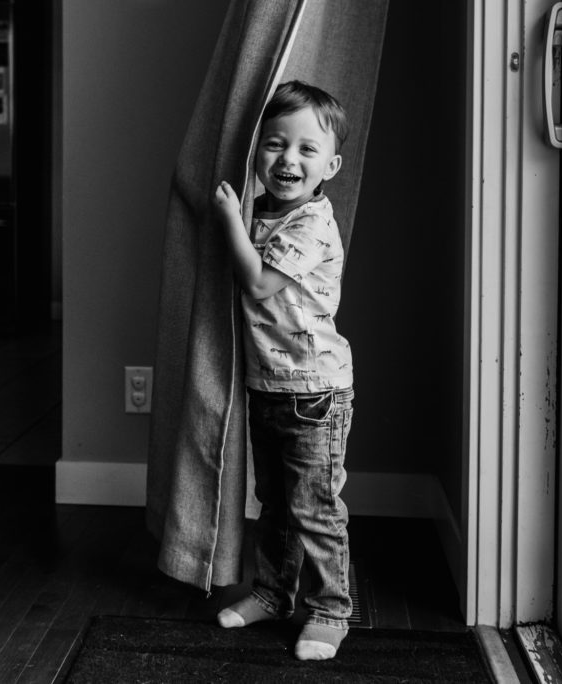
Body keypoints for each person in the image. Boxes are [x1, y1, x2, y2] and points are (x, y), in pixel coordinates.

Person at [211, 80, 355, 661]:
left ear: (331, 166)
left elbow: (259, 281)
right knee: (273, 504)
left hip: (315, 393)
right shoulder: (264, 212)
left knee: (314, 510)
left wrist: (227, 217)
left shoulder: (311, 224)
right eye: (275, 145)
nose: (288, 160)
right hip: (269, 385)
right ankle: (273, 595)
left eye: (306, 150)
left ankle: (330, 611)